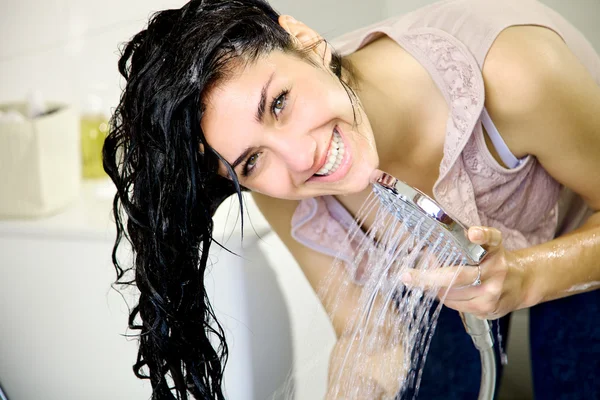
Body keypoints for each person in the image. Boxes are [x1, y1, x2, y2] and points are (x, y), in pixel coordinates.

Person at [103, 0, 600, 398]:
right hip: (447, 281)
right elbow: (373, 338)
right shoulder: (277, 187)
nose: (300, 159)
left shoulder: (516, 74)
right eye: (251, 161)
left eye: (279, 103)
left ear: (306, 42)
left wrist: (526, 276)